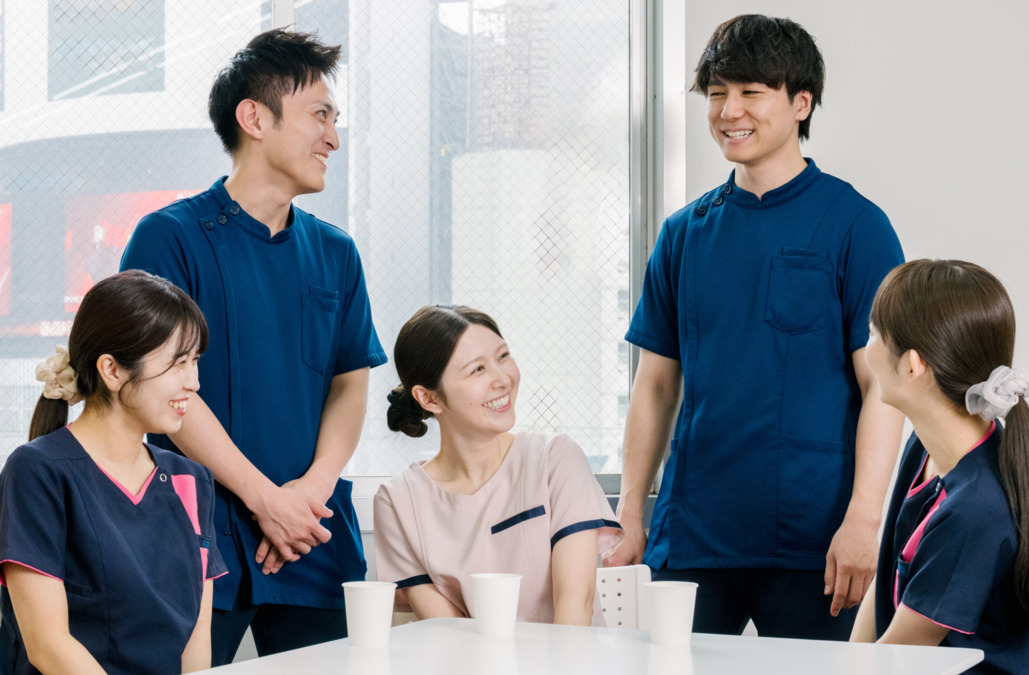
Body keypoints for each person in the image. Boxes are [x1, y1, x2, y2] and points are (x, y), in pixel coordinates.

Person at [606, 14, 906, 640]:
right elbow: (655, 385)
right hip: (694, 532)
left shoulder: (856, 226)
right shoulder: (683, 234)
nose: (728, 111)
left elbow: (881, 386)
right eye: (717, 93)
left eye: (750, 92)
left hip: (814, 537)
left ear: (801, 103)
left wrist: (864, 519)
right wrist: (631, 510)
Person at [119, 29, 387, 663]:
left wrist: (307, 496)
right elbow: (158, 386)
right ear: (255, 118)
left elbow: (350, 382)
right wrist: (266, 501)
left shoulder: (336, 252)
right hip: (195, 529)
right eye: (320, 115)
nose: (334, 138)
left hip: (310, 533)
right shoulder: (170, 239)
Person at [0, 270, 227, 674]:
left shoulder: (191, 481)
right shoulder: (37, 472)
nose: (193, 382)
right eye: (178, 363)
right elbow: (48, 646)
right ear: (113, 370)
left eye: (195, 362)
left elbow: (195, 645)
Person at [374, 306, 622, 625]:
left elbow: (576, 603)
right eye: (478, 369)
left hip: (568, 653)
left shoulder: (555, 458)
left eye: (503, 356)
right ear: (429, 398)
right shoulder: (397, 501)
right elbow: (446, 631)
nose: (503, 379)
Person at [850, 259, 1029, 673]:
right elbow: (889, 569)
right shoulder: (924, 447)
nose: (867, 346)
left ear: (912, 366)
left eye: (873, 334)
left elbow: (900, 653)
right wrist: (849, 658)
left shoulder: (975, 510)